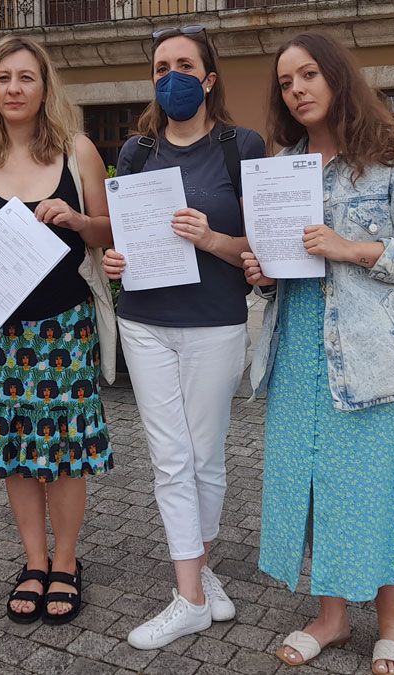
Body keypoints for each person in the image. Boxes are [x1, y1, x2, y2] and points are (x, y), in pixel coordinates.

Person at [242, 32, 394, 674]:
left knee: (376, 485)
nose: (297, 89)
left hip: (373, 354)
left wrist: (353, 248)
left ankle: (392, 619)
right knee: (315, 483)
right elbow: (284, 256)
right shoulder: (288, 164)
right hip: (299, 345)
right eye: (286, 82)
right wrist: (265, 269)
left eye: (308, 75)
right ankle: (333, 616)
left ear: (337, 77)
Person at [101, 25, 266, 650]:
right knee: (170, 459)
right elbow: (125, 235)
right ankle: (190, 595)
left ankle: (204, 567)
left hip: (215, 323)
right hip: (143, 322)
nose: (172, 76)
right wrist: (116, 260)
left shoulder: (240, 147)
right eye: (161, 66)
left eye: (184, 65)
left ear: (209, 78)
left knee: (206, 458)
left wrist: (213, 240)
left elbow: (270, 245)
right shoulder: (137, 152)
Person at [0, 36, 113, 626]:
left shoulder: (77, 149)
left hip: (63, 327)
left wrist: (78, 219)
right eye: (3, 78)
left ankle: (66, 562)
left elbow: (110, 234)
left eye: (26, 79)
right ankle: (33, 561)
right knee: (14, 450)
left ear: (45, 88)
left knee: (64, 453)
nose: (14, 89)